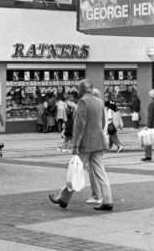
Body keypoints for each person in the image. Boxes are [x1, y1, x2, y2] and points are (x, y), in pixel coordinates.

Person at [48, 78, 113, 211]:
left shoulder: (83, 102)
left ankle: (63, 198)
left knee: (75, 171)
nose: (77, 90)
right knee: (101, 172)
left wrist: (75, 144)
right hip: (98, 142)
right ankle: (108, 199)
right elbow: (102, 122)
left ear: (82, 89)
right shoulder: (100, 102)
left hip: (86, 143)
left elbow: (79, 126)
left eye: (78, 88)